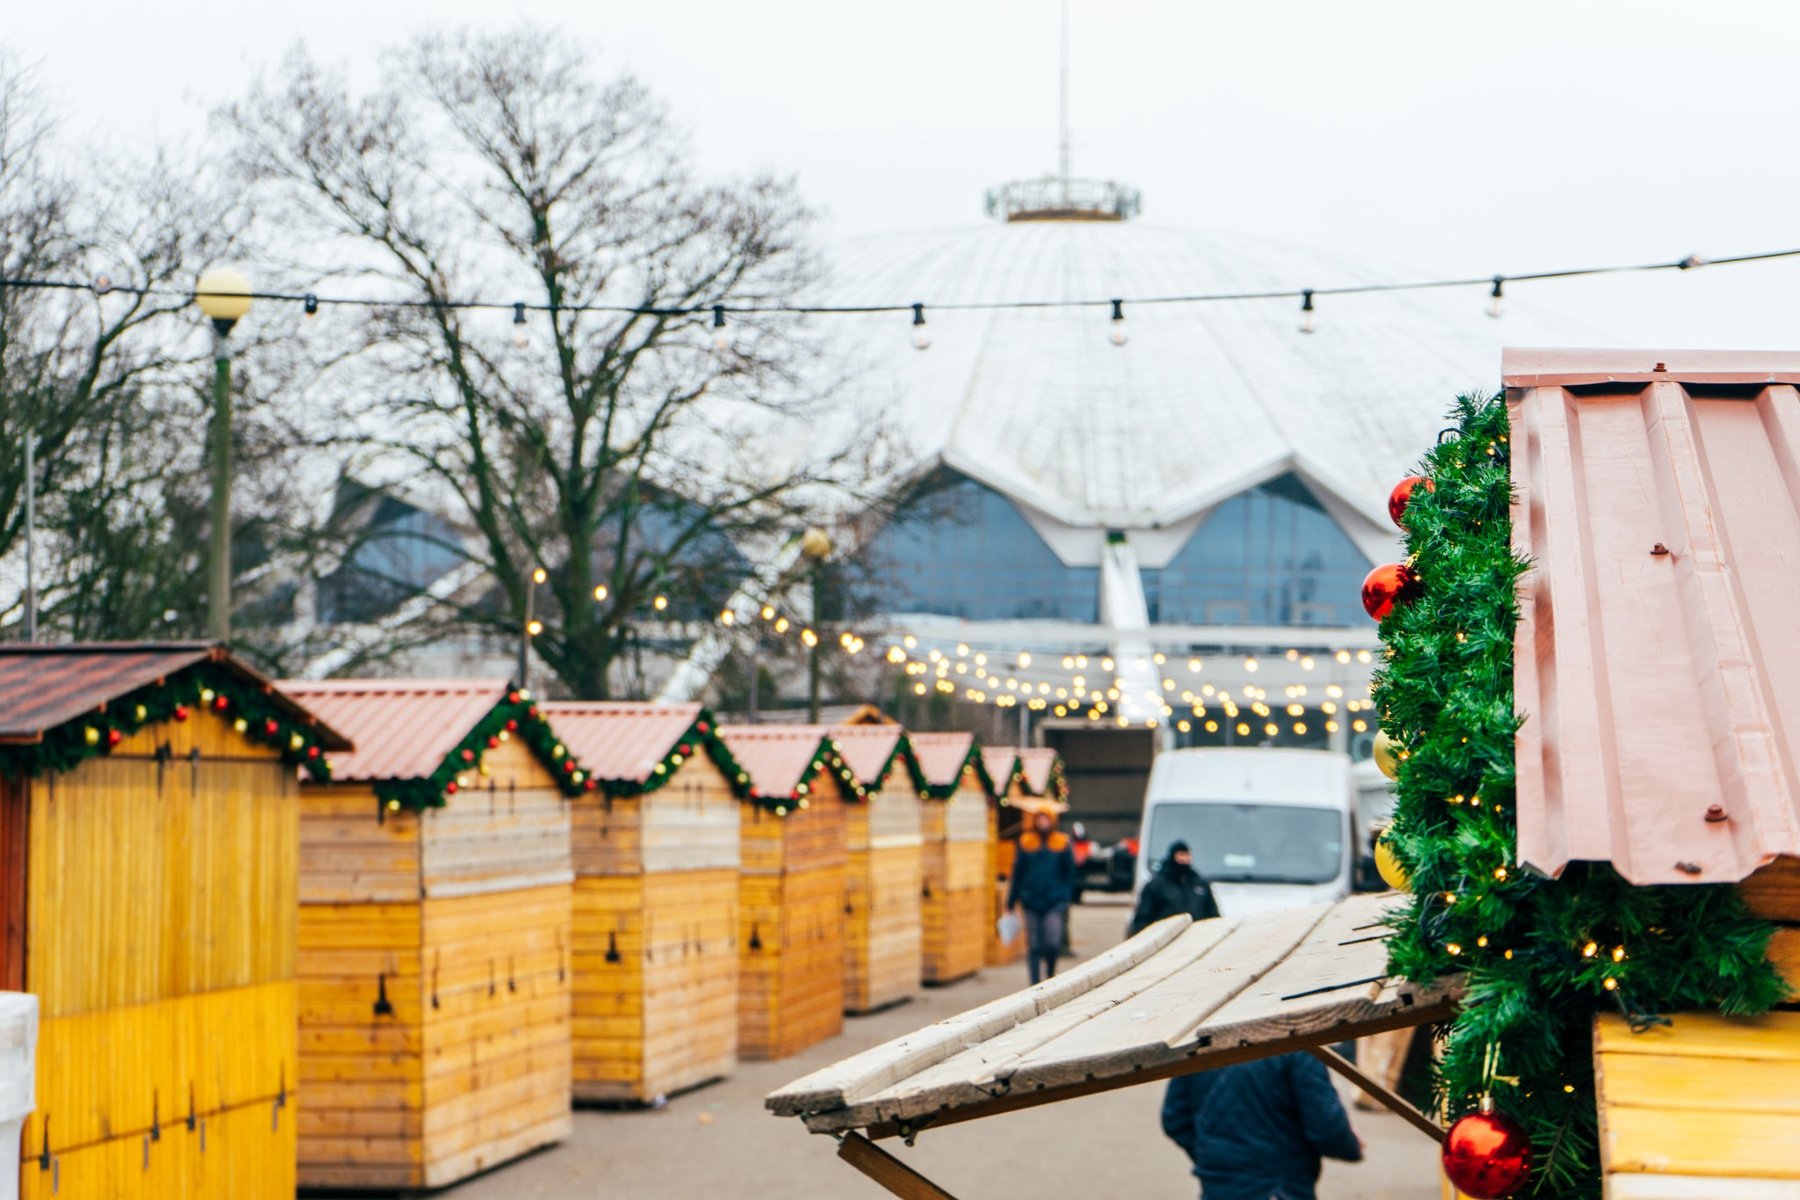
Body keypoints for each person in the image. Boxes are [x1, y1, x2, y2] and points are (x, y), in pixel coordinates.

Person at [1160, 1053, 1363, 1200]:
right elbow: (1327, 1129)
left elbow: (1175, 1118)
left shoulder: (1202, 1044)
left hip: (1220, 1185)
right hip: (1280, 1186)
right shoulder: (1299, 1045)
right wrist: (1352, 1146)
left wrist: (1217, 1157)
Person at [1006, 809, 1076, 984]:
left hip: (1054, 900)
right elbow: (1018, 873)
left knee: (1052, 942)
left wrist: (1065, 897)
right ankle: (1035, 982)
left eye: (1046, 819)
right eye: (1040, 819)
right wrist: (1011, 902)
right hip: (1031, 900)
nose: (1043, 823)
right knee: (1034, 944)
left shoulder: (1061, 843)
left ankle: (1050, 972)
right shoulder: (1026, 842)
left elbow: (1069, 874)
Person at [1128, 839, 1220, 935]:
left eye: (1187, 855)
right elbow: (1142, 919)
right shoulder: (1156, 886)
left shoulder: (1200, 885)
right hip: (1166, 938)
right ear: (1173, 856)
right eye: (1181, 855)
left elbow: (1213, 915)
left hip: (1196, 938)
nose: (1184, 859)